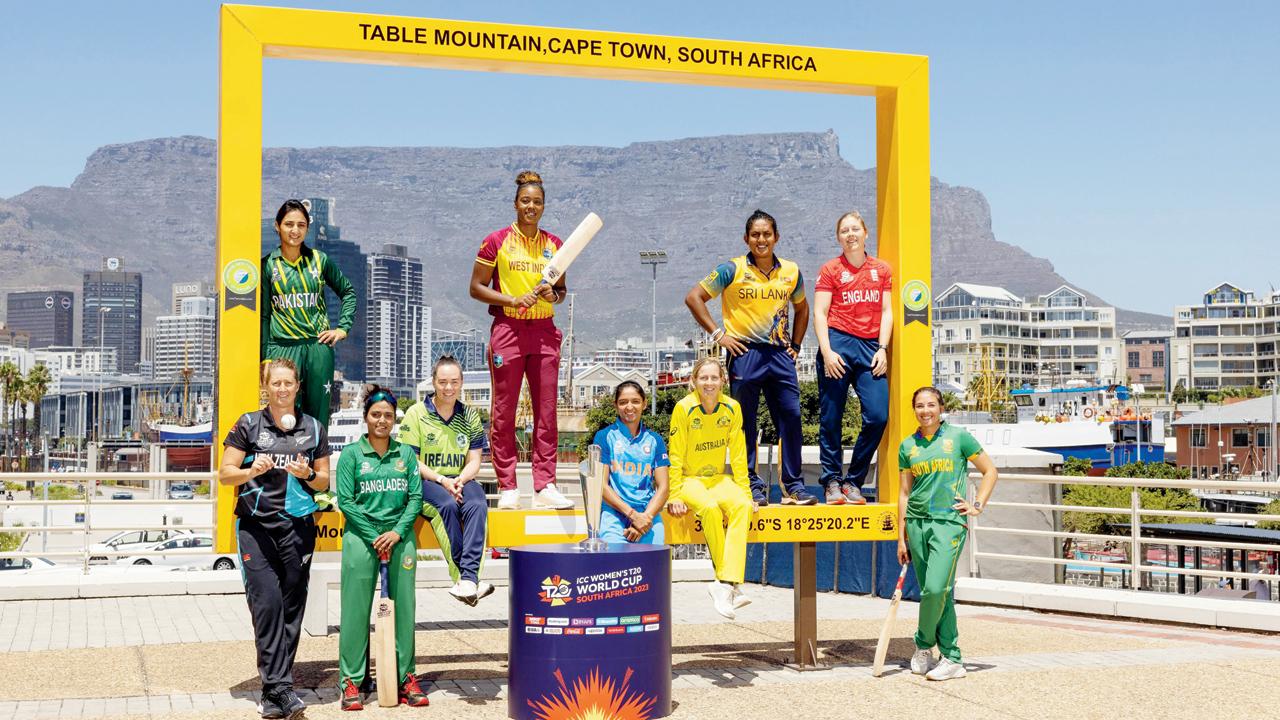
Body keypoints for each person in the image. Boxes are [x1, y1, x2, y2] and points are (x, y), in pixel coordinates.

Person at [219, 358, 331, 719]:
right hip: (255, 527)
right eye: (276, 383)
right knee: (267, 606)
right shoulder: (248, 424)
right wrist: (250, 470)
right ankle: (280, 689)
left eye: (288, 383)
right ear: (265, 387)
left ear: (298, 386)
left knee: (291, 608)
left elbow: (324, 482)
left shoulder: (313, 428)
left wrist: (307, 472)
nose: (282, 389)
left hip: (298, 528)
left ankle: (275, 692)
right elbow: (225, 474)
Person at [686, 209, 816, 507]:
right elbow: (694, 297)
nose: (761, 240)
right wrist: (719, 335)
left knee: (791, 416)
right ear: (746, 238)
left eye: (767, 234)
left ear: (776, 237)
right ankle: (751, 484)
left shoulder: (791, 271)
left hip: (780, 354)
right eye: (755, 235)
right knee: (744, 421)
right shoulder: (731, 269)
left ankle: (794, 486)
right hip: (744, 353)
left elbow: (803, 308)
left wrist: (796, 345)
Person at [469, 171, 573, 511]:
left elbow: (561, 291)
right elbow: (476, 287)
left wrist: (553, 295)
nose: (531, 206)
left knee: (547, 410)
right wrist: (512, 300)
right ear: (515, 203)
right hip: (508, 330)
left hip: (544, 331)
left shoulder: (555, 245)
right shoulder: (496, 241)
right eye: (525, 201)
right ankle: (509, 485)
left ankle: (545, 485)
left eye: (537, 202)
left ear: (544, 206)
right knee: (504, 411)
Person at [334, 385, 429, 710]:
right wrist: (375, 535)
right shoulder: (351, 455)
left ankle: (405, 678)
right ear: (366, 417)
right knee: (355, 610)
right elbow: (346, 501)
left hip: (400, 539)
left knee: (404, 610)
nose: (382, 420)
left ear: (394, 419)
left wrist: (397, 532)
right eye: (376, 414)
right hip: (361, 538)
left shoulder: (405, 455)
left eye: (388, 415)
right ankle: (352, 680)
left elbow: (415, 498)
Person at [896, 386, 998, 682]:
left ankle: (923, 643)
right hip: (916, 523)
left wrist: (977, 505)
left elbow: (990, 471)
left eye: (931, 405)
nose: (925, 411)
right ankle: (951, 657)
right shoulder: (907, 446)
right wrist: (901, 537)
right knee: (939, 593)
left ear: (941, 408)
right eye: (919, 406)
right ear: (914, 410)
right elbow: (904, 493)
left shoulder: (959, 437)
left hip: (949, 523)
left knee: (935, 589)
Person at [399, 356, 493, 605]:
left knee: (478, 504)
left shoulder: (470, 415)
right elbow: (411, 462)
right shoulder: (416, 413)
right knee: (448, 506)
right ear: (433, 382)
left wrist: (460, 479)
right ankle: (464, 578)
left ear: (461, 383)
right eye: (442, 382)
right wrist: (442, 480)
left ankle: (469, 580)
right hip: (426, 481)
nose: (448, 388)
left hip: (460, 480)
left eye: (454, 382)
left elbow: (475, 460)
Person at [813, 211, 893, 505]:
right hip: (837, 344)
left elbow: (887, 311)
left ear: (865, 233)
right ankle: (832, 481)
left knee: (877, 416)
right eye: (844, 230)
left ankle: (853, 481)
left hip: (871, 347)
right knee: (831, 417)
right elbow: (820, 312)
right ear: (838, 237)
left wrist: (882, 348)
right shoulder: (831, 269)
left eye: (855, 229)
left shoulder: (881, 269)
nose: (850, 234)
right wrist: (827, 351)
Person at [667, 357, 754, 619]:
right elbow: (675, 455)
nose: (709, 383)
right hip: (689, 480)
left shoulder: (732, 408)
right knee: (709, 508)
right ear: (693, 381)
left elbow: (738, 455)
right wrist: (674, 494)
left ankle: (724, 584)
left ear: (722, 381)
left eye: (714, 377)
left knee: (742, 506)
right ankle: (729, 583)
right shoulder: (684, 408)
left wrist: (747, 493)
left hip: (717, 478)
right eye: (703, 378)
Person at [261, 199, 357, 426]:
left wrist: (342, 329)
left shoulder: (319, 260)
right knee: (283, 416)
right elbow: (264, 316)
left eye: (301, 225)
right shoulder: (267, 265)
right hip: (282, 348)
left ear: (307, 228)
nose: (295, 230)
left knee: (317, 418)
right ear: (277, 226)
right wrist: (265, 357)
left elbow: (348, 292)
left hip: (317, 347)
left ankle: (317, 451)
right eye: (289, 224)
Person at [592, 380, 670, 544]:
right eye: (623, 402)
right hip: (614, 514)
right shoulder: (604, 436)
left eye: (635, 401)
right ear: (615, 405)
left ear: (644, 404)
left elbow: (663, 488)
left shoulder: (655, 440)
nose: (629, 407)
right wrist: (633, 515)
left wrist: (644, 519)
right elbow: (601, 486)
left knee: (654, 558)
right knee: (616, 559)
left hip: (647, 516)